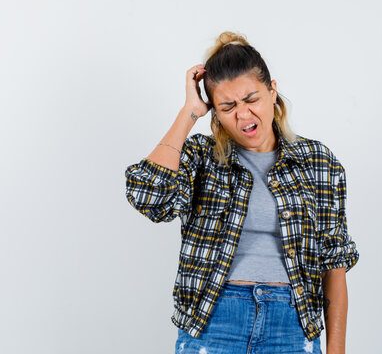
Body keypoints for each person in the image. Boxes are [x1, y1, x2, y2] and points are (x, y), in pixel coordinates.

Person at [124, 31, 359, 354]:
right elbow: (149, 198)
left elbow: (335, 263)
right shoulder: (201, 157)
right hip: (215, 321)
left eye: (252, 99)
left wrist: (336, 351)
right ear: (216, 113)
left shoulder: (318, 162)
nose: (244, 115)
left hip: (290, 326)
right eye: (228, 106)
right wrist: (189, 113)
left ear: (272, 91)